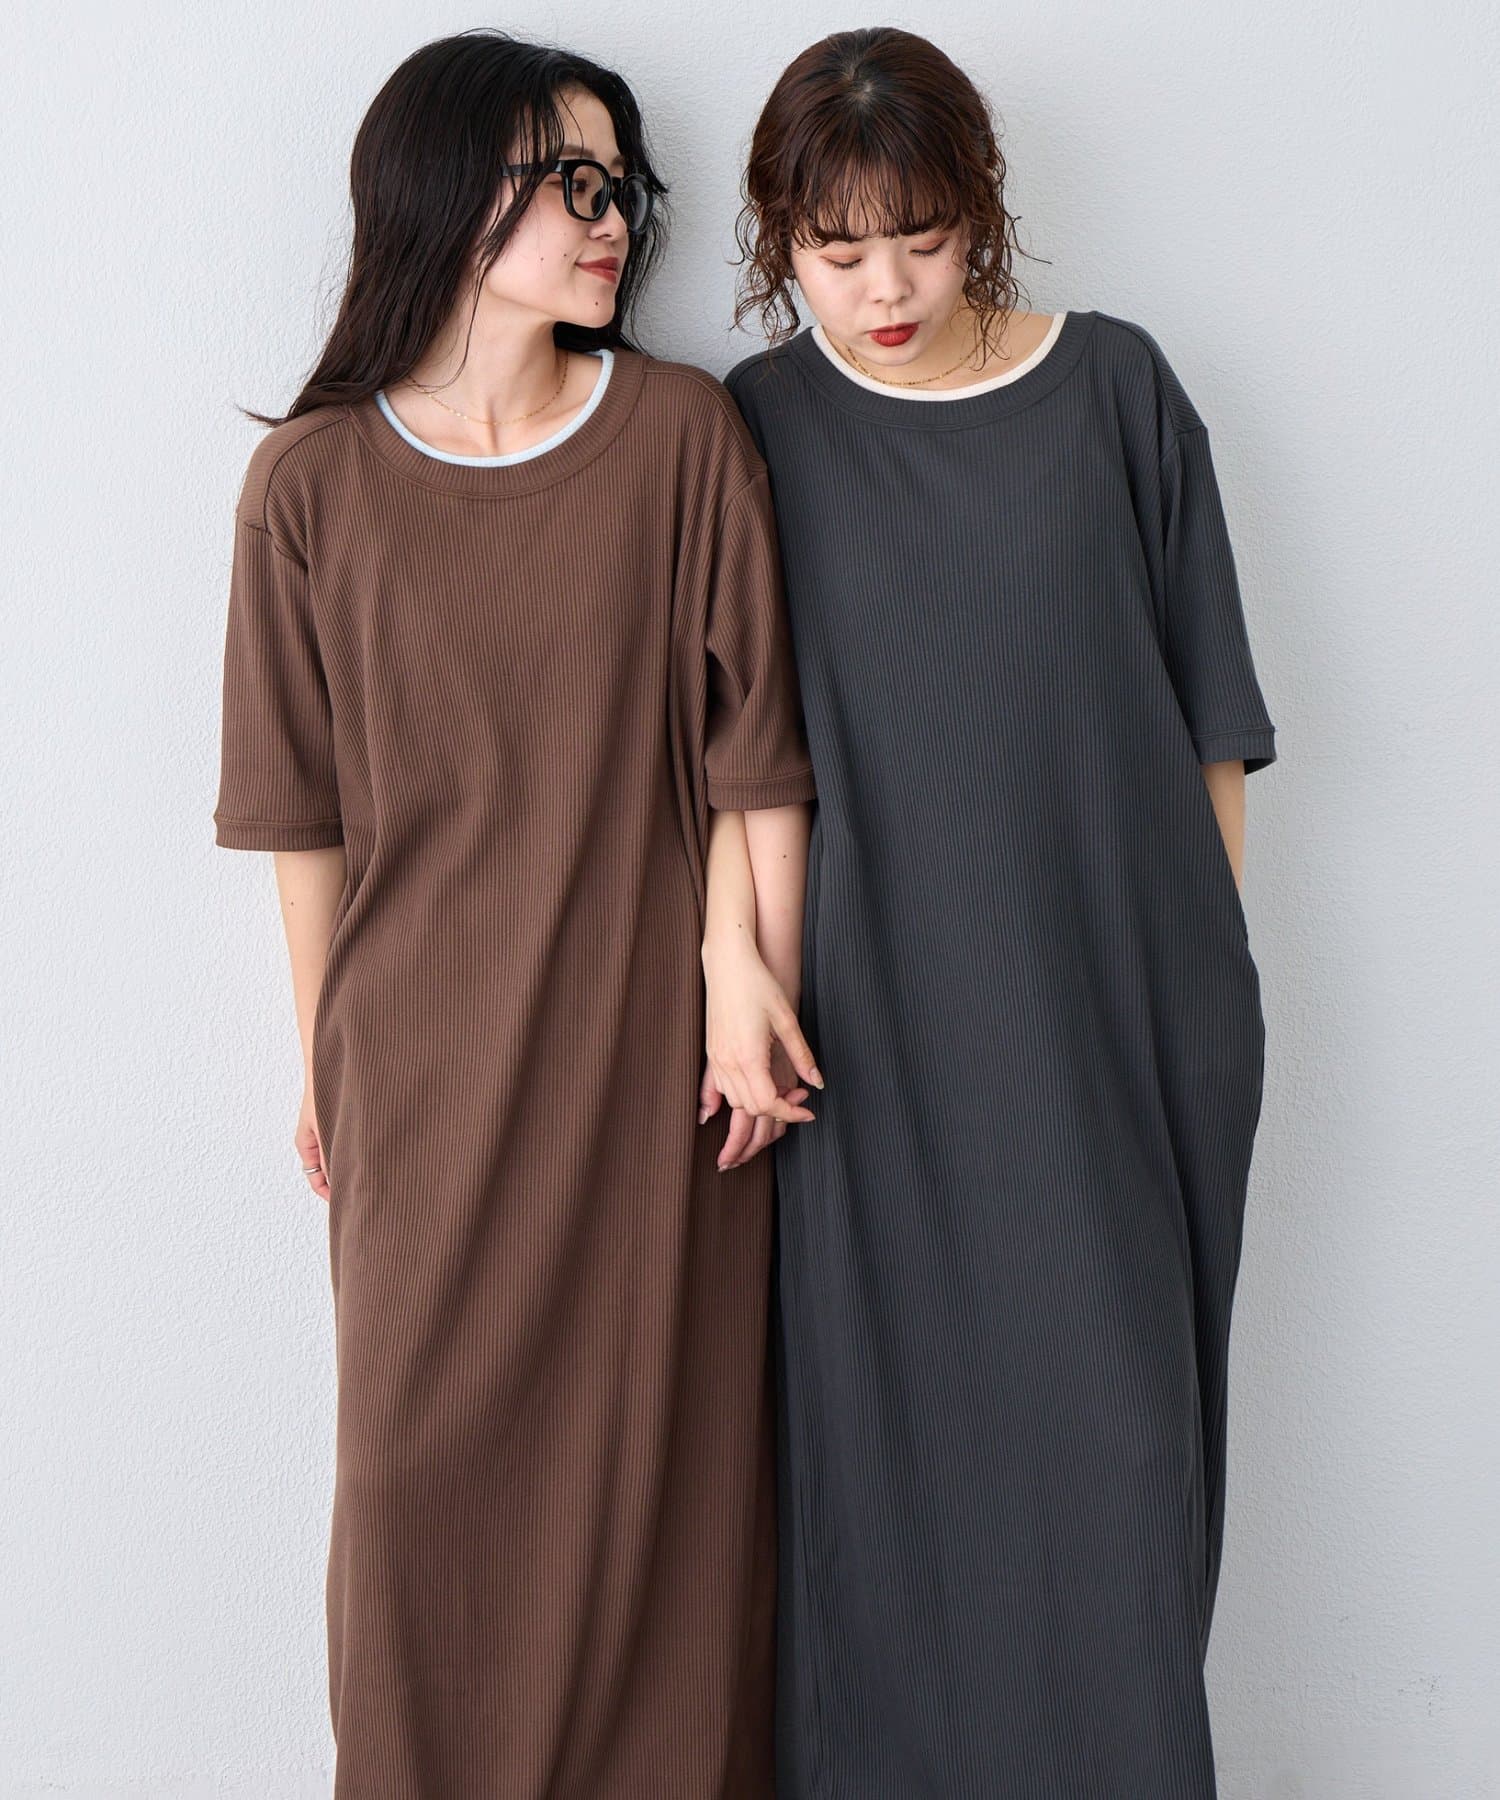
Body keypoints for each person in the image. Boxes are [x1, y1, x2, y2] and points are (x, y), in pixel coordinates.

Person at [212, 29, 817, 1796]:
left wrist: (741, 971)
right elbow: (300, 823)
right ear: (441, 190)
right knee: (414, 1497)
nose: (609, 215)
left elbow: (753, 762)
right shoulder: (312, 485)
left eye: (619, 182)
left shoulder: (683, 438)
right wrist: (324, 1058)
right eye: (567, 179)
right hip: (418, 1076)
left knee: (664, 1514)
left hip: (654, 1078)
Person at [718, 27, 1280, 1797]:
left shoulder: (1117, 389)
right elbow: (722, 754)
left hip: (1122, 1028)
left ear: (985, 211)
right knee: (888, 1498)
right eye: (835, 250)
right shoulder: (756, 430)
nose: (883, 289)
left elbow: (1212, 729)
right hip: (874, 1047)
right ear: (778, 243)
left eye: (922, 236)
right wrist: (734, 962)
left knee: (1125, 1475)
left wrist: (1199, 986)